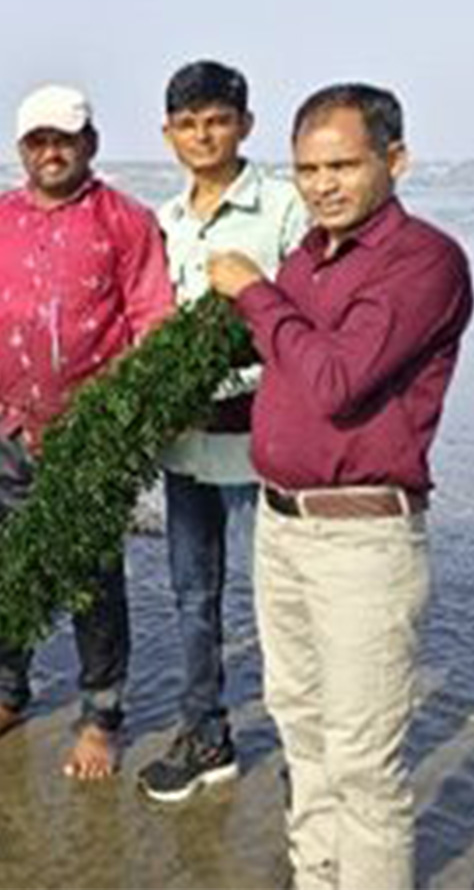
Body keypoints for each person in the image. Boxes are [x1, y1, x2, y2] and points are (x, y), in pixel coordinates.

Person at [207, 84, 473, 890]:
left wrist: (253, 291)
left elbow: (335, 381)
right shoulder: (308, 258)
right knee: (303, 736)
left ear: (396, 160)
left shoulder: (423, 261)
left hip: (363, 541)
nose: (323, 185)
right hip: (282, 527)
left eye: (343, 166)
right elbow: (287, 372)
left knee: (363, 766)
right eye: (307, 170)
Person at [0, 83, 173, 776]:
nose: (51, 152)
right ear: (22, 149)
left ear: (89, 143)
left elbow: (153, 318)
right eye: (38, 141)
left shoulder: (126, 220)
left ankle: (101, 715)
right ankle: (8, 691)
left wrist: (120, 418)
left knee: (92, 573)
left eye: (63, 139)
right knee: (6, 563)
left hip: (88, 432)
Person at [138, 60, 308, 803]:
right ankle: (206, 734)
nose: (203, 135)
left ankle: (307, 754)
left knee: (280, 603)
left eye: (217, 121)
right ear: (168, 134)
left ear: (245, 125)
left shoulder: (285, 207)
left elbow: (307, 319)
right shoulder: (165, 221)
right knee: (192, 596)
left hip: (258, 444)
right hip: (184, 444)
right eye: (188, 123)